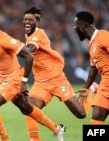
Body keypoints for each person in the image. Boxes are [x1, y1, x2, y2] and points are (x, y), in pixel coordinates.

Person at [0, 13, 65, 141]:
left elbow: (29, 57)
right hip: (4, 78)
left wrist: (24, 82)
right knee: (27, 109)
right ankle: (57, 129)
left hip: (15, 78)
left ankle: (5, 139)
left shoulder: (4, 39)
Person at [22, 6, 98, 141]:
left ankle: (91, 88)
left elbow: (30, 49)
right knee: (29, 109)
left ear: (37, 22)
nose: (26, 22)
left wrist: (14, 50)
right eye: (25, 20)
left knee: (81, 114)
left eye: (30, 20)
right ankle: (49, 133)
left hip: (57, 79)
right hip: (41, 82)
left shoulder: (39, 35)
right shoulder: (28, 34)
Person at [74, 11, 109, 124]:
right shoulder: (91, 44)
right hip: (105, 86)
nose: (75, 29)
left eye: (76, 25)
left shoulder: (104, 35)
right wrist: (86, 87)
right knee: (96, 118)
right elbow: (93, 69)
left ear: (83, 25)